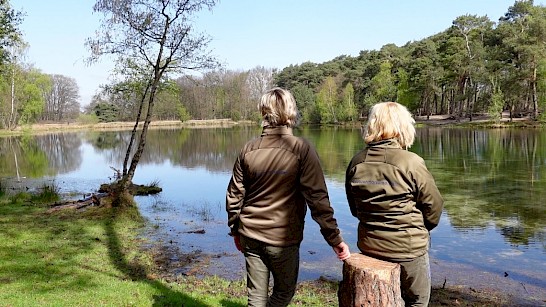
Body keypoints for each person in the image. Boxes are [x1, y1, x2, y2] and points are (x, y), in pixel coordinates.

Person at [226, 87, 351, 307]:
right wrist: (335, 239)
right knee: (284, 293)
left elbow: (234, 195)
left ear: (264, 112)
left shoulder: (248, 149)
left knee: (256, 297)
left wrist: (235, 228)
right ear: (291, 112)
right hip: (282, 239)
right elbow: (318, 200)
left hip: (250, 234)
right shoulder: (302, 149)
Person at [345, 101, 444, 307]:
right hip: (408, 248)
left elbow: (354, 209)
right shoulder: (411, 162)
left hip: (369, 244)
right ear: (403, 126)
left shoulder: (357, 162)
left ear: (372, 125)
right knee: (418, 301)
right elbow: (434, 206)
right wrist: (421, 229)